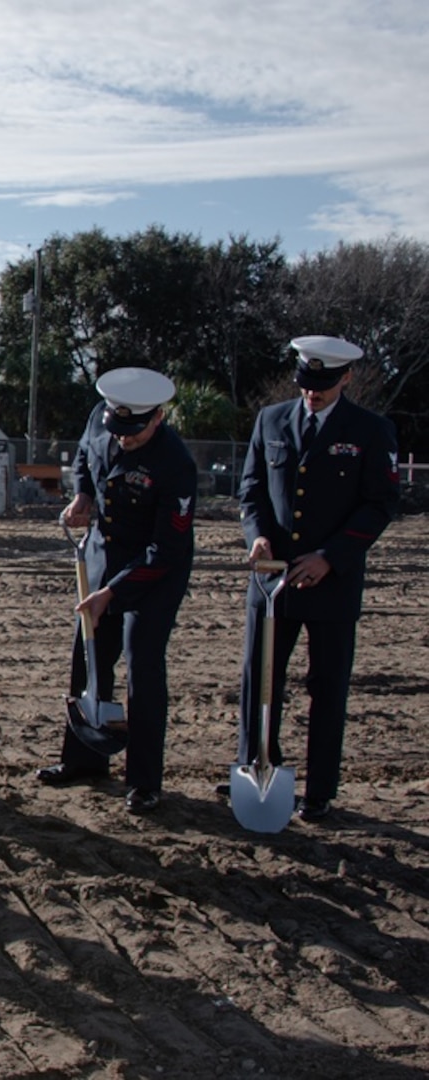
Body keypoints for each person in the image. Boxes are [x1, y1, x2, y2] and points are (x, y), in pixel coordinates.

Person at [232, 336, 399, 821]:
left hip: (332, 583)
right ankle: (256, 768)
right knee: (258, 680)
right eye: (307, 384)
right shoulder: (271, 419)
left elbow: (380, 503)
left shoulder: (371, 430)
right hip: (271, 581)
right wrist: (257, 537)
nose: (313, 394)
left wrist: (331, 556)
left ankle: (320, 790)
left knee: (327, 685)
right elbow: (251, 489)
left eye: (323, 385)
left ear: (345, 378)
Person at [36, 368, 195, 814]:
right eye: (117, 429)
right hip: (103, 554)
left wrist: (113, 593)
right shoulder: (100, 422)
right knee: (88, 655)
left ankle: (145, 780)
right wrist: (82, 495)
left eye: (134, 431)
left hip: (154, 572)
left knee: (142, 665)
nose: (123, 439)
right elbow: (87, 457)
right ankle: (84, 761)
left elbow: (166, 548)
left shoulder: (175, 463)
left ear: (158, 418)